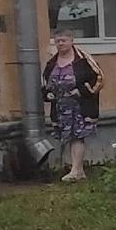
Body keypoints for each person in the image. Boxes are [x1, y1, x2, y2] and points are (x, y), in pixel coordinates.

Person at [41, 29, 103, 182]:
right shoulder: (52, 62)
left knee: (78, 136)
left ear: (71, 41)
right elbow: (45, 81)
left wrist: (81, 91)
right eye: (58, 41)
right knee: (69, 136)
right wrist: (48, 94)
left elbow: (98, 77)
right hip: (61, 106)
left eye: (64, 40)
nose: (60, 43)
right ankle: (79, 170)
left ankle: (75, 170)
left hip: (80, 106)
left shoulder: (83, 59)